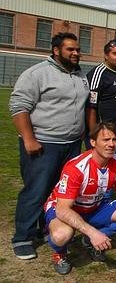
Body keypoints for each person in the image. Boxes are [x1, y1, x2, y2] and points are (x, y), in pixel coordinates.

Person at [10, 32, 89, 260]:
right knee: (36, 190)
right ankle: (23, 237)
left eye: (77, 49)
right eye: (70, 49)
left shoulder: (79, 75)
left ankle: (47, 228)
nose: (76, 53)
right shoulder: (37, 74)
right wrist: (29, 139)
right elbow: (18, 107)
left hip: (71, 144)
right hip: (44, 143)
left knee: (59, 192)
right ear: (56, 50)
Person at [44, 123, 116, 274]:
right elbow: (62, 209)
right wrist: (93, 232)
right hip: (63, 208)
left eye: (114, 140)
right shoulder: (76, 167)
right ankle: (60, 253)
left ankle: (89, 241)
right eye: (105, 140)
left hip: (94, 206)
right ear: (93, 142)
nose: (111, 144)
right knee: (62, 235)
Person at [86, 39, 116, 145]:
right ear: (106, 55)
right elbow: (90, 107)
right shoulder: (99, 73)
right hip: (103, 134)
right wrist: (94, 134)